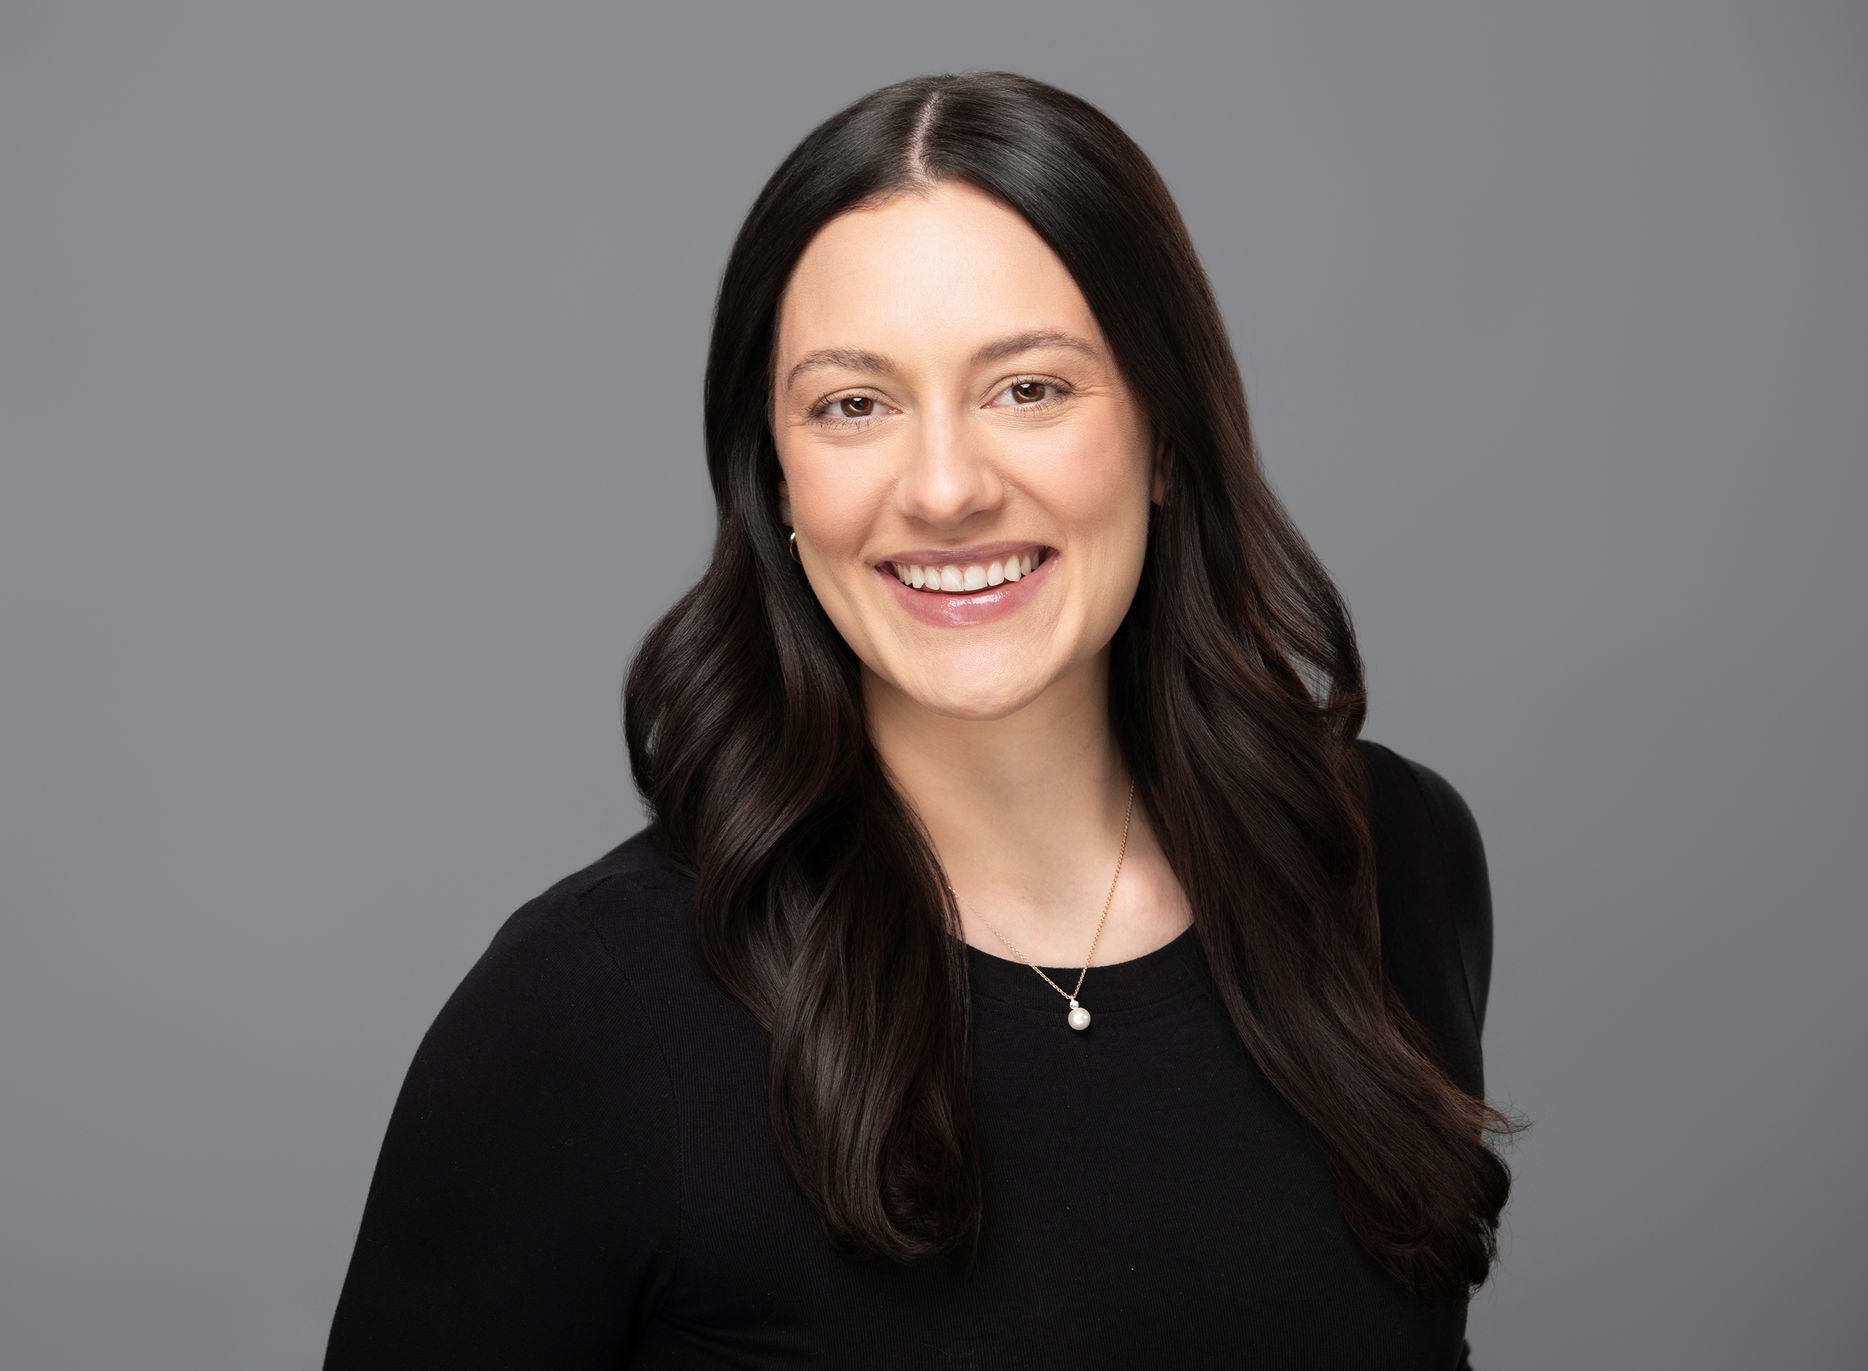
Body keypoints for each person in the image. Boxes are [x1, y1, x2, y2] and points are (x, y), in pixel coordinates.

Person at [323, 70, 1524, 1368]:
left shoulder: (1386, 857)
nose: (945, 489)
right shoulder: (586, 1016)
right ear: (777, 480)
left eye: (1030, 389)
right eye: (855, 404)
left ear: (1165, 438)